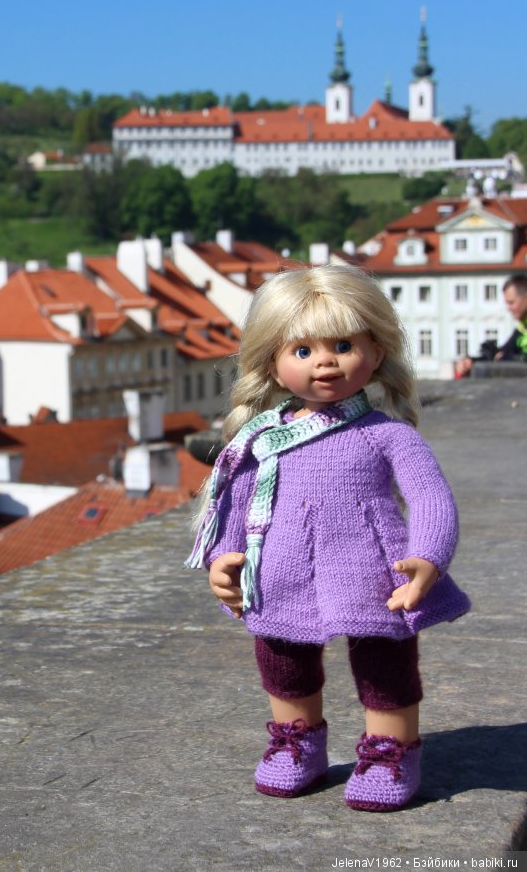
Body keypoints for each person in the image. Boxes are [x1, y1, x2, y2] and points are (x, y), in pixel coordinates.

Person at [185, 264, 470, 812]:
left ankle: (392, 748)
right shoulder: (264, 440)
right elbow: (235, 508)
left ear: (377, 351)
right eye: (302, 350)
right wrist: (224, 559)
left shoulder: (389, 435)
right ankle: (298, 742)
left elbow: (432, 500)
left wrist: (429, 555)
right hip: (280, 568)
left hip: (375, 569)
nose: (325, 361)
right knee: (281, 655)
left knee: (385, 661)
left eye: (343, 344)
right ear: (271, 361)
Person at [454, 273, 527, 376]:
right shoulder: (522, 328)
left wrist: (509, 358)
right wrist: (471, 361)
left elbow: (505, 357)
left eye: (511, 302)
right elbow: (500, 354)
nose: (508, 308)